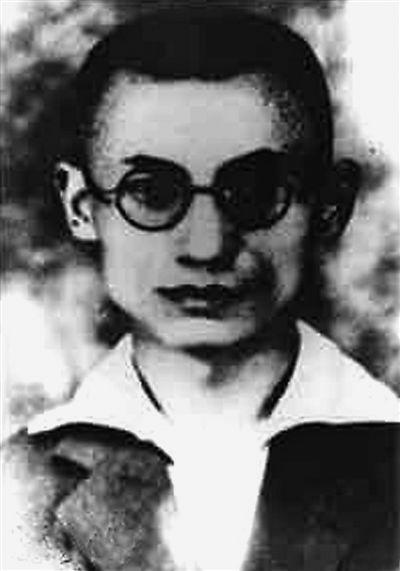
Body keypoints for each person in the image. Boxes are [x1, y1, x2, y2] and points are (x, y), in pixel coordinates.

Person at [2, 7, 399, 571]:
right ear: (81, 206)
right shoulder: (17, 489)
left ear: (331, 206)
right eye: (152, 192)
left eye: (256, 191)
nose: (208, 247)